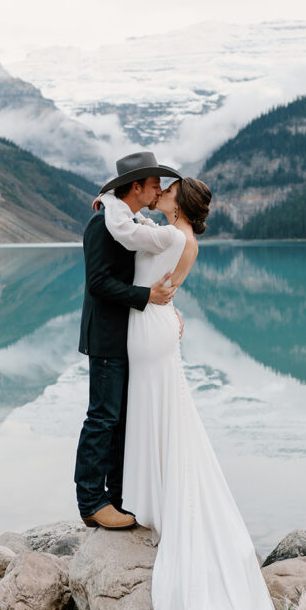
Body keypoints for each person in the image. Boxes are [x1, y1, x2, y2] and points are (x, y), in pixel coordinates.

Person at [98, 177, 279, 610]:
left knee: (157, 412)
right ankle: (153, 494)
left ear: (180, 203)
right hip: (159, 326)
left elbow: (127, 234)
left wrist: (110, 200)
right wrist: (173, 312)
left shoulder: (172, 236)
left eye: (168, 189)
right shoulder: (184, 239)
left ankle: (151, 498)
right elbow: (160, 273)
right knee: (165, 415)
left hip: (148, 333)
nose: (161, 191)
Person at [74, 151, 182, 531]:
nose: (158, 191)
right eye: (154, 185)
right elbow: (98, 283)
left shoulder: (129, 223)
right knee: (102, 418)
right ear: (136, 187)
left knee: (120, 420)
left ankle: (117, 498)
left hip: (129, 336)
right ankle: (90, 501)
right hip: (106, 335)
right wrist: (146, 298)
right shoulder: (101, 226)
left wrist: (166, 309)